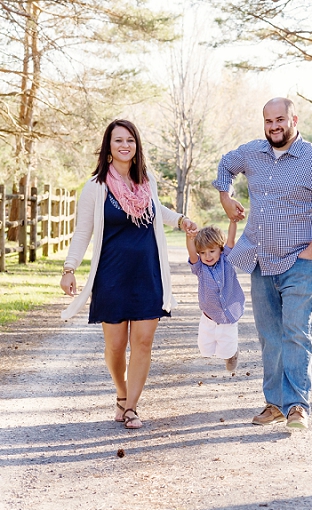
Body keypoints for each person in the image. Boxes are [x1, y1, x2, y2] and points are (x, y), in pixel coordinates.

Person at [213, 97, 312, 429]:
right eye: (268, 121)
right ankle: (274, 404)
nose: (274, 126)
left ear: (294, 119)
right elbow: (225, 165)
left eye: (280, 120)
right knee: (269, 337)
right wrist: (225, 196)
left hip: (300, 262)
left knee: (298, 334)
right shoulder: (253, 153)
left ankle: (298, 406)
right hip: (261, 262)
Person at [60, 119, 197, 430]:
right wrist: (69, 268)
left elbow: (156, 209)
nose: (125, 145)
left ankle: (132, 407)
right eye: (118, 140)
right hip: (112, 276)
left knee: (144, 342)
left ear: (137, 147)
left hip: (148, 273)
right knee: (116, 345)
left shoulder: (146, 182)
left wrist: (181, 221)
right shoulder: (96, 187)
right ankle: (121, 394)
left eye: (130, 140)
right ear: (109, 147)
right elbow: (83, 232)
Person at [185, 221, 245, 372]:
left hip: (228, 316)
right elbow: (192, 253)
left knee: (227, 348)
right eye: (203, 253)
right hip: (208, 316)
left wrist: (232, 221)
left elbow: (231, 240)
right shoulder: (200, 268)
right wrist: (189, 238)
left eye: (211, 251)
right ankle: (223, 350)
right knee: (205, 348)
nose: (207, 256)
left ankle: (232, 354)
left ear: (220, 248)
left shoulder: (228, 260)